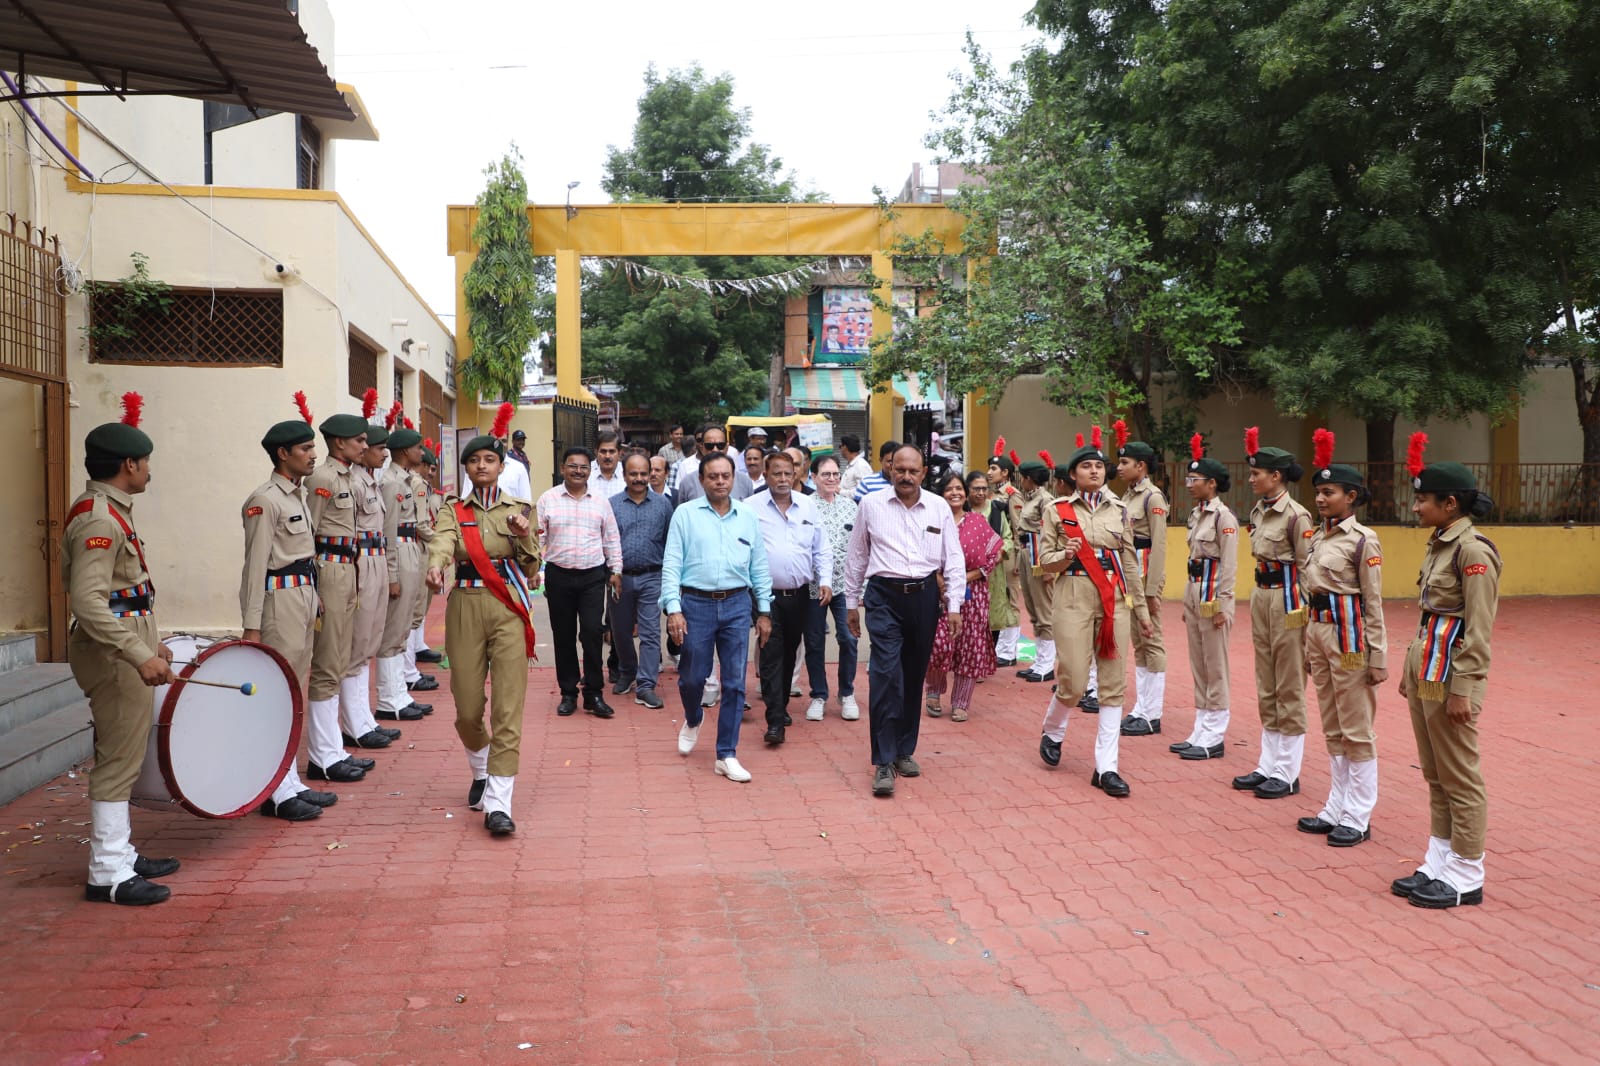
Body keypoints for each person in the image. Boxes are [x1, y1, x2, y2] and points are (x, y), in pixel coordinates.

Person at [65, 394, 180, 905]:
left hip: (125, 647)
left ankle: (122, 853)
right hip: (112, 656)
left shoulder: (112, 510)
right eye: (147, 461)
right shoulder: (99, 519)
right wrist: (138, 654)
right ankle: (108, 872)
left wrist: (151, 643)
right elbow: (89, 604)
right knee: (117, 761)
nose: (149, 470)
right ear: (129, 464)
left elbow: (124, 594)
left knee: (127, 754)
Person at [1391, 434, 1500, 909]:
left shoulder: (1472, 552)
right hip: (1427, 667)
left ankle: (1468, 872)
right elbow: (1428, 616)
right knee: (1435, 773)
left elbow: (1478, 629)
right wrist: (1409, 670)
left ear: (1449, 503)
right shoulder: (1440, 543)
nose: (1416, 508)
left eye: (1423, 500)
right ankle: (1439, 859)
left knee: (1461, 775)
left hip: (1452, 672)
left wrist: (1465, 690)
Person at [426, 416, 542, 836]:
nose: (481, 466)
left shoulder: (518, 511)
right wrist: (436, 566)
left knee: (508, 707)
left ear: (502, 465)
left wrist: (525, 536)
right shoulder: (454, 509)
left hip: (508, 606)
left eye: (489, 460)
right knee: (468, 707)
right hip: (467, 604)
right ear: (467, 468)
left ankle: (499, 801)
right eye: (474, 460)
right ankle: (481, 767)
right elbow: (442, 541)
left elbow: (533, 565)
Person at [1035, 431, 1154, 796]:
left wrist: (1143, 610)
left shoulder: (1120, 510)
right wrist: (1066, 554)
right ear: (1073, 474)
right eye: (1086, 466)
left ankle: (1107, 767)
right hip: (1072, 595)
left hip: (1113, 599)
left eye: (1099, 466)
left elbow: (1130, 563)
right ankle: (1053, 729)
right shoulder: (1057, 511)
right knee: (1071, 676)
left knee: (1113, 682)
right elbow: (1043, 563)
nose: (1094, 471)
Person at [844, 446, 966, 797]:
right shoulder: (871, 505)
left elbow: (953, 558)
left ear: (923, 472)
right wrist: (852, 603)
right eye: (900, 470)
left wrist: (953, 604)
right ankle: (883, 760)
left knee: (913, 675)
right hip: (884, 596)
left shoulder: (939, 507)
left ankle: (903, 750)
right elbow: (857, 556)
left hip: (925, 596)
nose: (906, 476)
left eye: (913, 471)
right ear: (891, 470)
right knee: (886, 674)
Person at [243, 399, 340, 822]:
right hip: (278, 600)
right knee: (280, 693)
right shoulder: (265, 500)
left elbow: (304, 555)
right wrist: (251, 626)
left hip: (301, 595)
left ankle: (290, 780)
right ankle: (276, 791)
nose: (313, 454)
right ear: (283, 454)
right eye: (304, 449)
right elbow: (255, 565)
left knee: (296, 689)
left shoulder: (296, 496)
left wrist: (315, 593)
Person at [1295, 430, 1388, 847]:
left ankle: (1359, 813)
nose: (1319, 498)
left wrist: (1378, 655)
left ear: (1350, 497)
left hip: (1350, 638)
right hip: (1318, 632)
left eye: (1328, 492)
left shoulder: (1363, 540)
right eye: (1317, 492)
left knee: (1356, 727)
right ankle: (1336, 804)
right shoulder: (1317, 536)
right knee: (1332, 724)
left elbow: (1373, 601)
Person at [662, 452, 772, 783]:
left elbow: (760, 565)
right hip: (695, 604)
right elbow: (671, 563)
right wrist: (673, 608)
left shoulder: (748, 517)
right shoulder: (685, 514)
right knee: (692, 677)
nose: (720, 481)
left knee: (736, 682)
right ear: (702, 480)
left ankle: (726, 753)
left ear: (733, 478)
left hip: (738, 604)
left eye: (725, 476)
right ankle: (693, 717)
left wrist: (764, 610)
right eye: (713, 476)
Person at [1233, 429, 1314, 798]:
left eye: (1257, 474)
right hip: (1262, 595)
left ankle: (1288, 770)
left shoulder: (1297, 516)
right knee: (1266, 681)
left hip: (1288, 599)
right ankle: (1268, 763)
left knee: (1289, 683)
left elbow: (1307, 567)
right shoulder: (1259, 510)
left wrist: (1305, 615)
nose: (1251, 479)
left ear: (1276, 476)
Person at [303, 409, 375, 786]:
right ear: (339, 443)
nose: (365, 445)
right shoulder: (323, 477)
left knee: (341, 655)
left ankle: (333, 747)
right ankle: (322, 756)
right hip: (329, 569)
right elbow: (309, 532)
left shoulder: (348, 476)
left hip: (348, 567)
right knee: (328, 661)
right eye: (359, 440)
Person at [537, 446, 623, 718]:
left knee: (592, 633)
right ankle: (568, 693)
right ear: (563, 469)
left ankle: (594, 693)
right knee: (562, 636)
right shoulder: (547, 499)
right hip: (558, 575)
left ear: (590, 469)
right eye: (572, 466)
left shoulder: (600, 501)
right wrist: (535, 571)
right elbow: (538, 539)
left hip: (592, 577)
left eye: (583, 466)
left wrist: (616, 570)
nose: (578, 471)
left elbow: (611, 538)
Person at [753, 450, 831, 746]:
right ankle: (774, 722)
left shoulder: (809, 506)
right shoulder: (752, 507)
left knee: (789, 652)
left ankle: (780, 704)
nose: (783, 479)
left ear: (796, 474)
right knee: (771, 653)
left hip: (800, 596)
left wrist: (825, 581)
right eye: (777, 473)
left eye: (788, 473)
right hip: (766, 597)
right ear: (766, 475)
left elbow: (821, 548)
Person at [336, 418, 402, 761]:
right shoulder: (352, 482)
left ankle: (364, 718)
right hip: (359, 561)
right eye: (377, 448)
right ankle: (353, 725)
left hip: (375, 558)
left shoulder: (372, 483)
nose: (379, 453)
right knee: (356, 645)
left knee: (368, 643)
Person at [1171, 435, 1239, 761]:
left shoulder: (1223, 518)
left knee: (1216, 666)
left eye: (1194, 479)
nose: (1188, 484)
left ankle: (1215, 734)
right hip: (1195, 591)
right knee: (1199, 664)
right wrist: (1188, 602)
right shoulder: (1197, 514)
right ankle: (1201, 726)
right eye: (1188, 478)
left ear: (1211, 484)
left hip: (1213, 595)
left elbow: (1229, 564)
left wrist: (1224, 604)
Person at [923, 471, 1003, 723]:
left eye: (959, 488)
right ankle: (933, 693)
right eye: (949, 489)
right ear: (941, 494)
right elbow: (922, 553)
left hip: (973, 594)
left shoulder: (977, 521)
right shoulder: (932, 521)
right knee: (938, 645)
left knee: (970, 646)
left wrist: (964, 578)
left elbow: (994, 555)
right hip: (938, 594)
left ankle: (961, 702)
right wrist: (939, 579)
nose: (955, 493)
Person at [1114, 423, 1171, 738]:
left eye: (1125, 462)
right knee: (1139, 640)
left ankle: (1153, 713)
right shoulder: (1129, 494)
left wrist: (1153, 590)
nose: (1120, 467)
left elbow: (1159, 546)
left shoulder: (1153, 498)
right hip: (1130, 575)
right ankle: (1141, 708)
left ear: (1142, 466)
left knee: (1152, 640)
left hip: (1144, 574)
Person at [374, 424, 431, 728]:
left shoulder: (404, 479)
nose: (421, 453)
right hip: (400, 549)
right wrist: (392, 574)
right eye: (417, 448)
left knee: (402, 627)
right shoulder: (393, 482)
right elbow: (389, 532)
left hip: (411, 548)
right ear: (405, 451)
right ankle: (388, 699)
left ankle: (398, 694)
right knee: (393, 629)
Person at [610, 453, 673, 709]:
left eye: (643, 473)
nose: (639, 478)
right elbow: (606, 541)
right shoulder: (612, 505)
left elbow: (671, 543)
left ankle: (646, 685)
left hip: (652, 577)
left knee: (650, 633)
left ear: (651, 474)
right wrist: (611, 572)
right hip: (619, 578)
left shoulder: (663, 505)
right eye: (633, 474)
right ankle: (627, 670)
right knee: (620, 632)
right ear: (624, 475)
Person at [802, 454, 860, 722]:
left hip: (843, 586)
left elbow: (861, 547)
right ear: (813, 477)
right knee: (814, 641)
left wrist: (862, 585)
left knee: (848, 638)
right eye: (826, 474)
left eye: (836, 474)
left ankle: (846, 692)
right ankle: (819, 694)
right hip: (812, 587)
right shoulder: (803, 506)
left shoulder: (851, 507)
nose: (832, 479)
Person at [1012, 455, 1058, 682]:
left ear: (1029, 479)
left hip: (1039, 554)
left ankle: (1047, 665)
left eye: (1023, 477)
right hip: (1026, 552)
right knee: (1032, 607)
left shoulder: (1045, 499)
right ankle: (1040, 661)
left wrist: (1048, 567)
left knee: (1043, 610)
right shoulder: (1029, 498)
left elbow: (1049, 533)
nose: (1021, 481)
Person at [986, 443, 1025, 665]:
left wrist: (1018, 556)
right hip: (994, 553)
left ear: (1005, 473)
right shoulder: (992, 493)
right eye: (989, 468)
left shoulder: (1012, 495)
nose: (989, 472)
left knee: (1010, 598)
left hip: (1008, 553)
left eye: (993, 468)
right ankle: (999, 646)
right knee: (997, 598)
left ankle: (1008, 651)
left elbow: (1018, 528)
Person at [675, 422, 756, 504]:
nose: (715, 449)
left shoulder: (745, 481)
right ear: (702, 447)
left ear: (727, 447)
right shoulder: (688, 482)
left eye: (720, 445)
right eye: (709, 446)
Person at [589, 429, 626, 500]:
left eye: (612, 451)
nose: (607, 456)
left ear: (620, 453)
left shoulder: (628, 472)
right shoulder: (586, 472)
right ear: (596, 452)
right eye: (603, 451)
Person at [496, 429, 532, 500]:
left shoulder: (523, 455)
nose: (521, 442)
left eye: (523, 440)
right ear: (513, 441)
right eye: (518, 440)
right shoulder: (509, 456)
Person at [838, 434, 873, 498]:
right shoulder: (852, 465)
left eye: (840, 446)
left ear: (845, 447)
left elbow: (864, 490)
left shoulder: (861, 465)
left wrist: (840, 491)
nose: (840, 449)